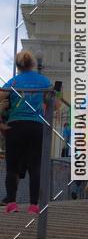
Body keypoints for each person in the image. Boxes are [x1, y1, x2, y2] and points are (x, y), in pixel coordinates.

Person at [0, 50, 52, 215]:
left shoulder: (13, 81)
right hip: (36, 126)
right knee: (35, 166)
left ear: (18, 66)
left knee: (12, 167)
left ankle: (12, 204)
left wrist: (0, 123)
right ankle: (33, 205)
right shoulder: (43, 81)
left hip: (15, 126)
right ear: (33, 64)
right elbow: (56, 104)